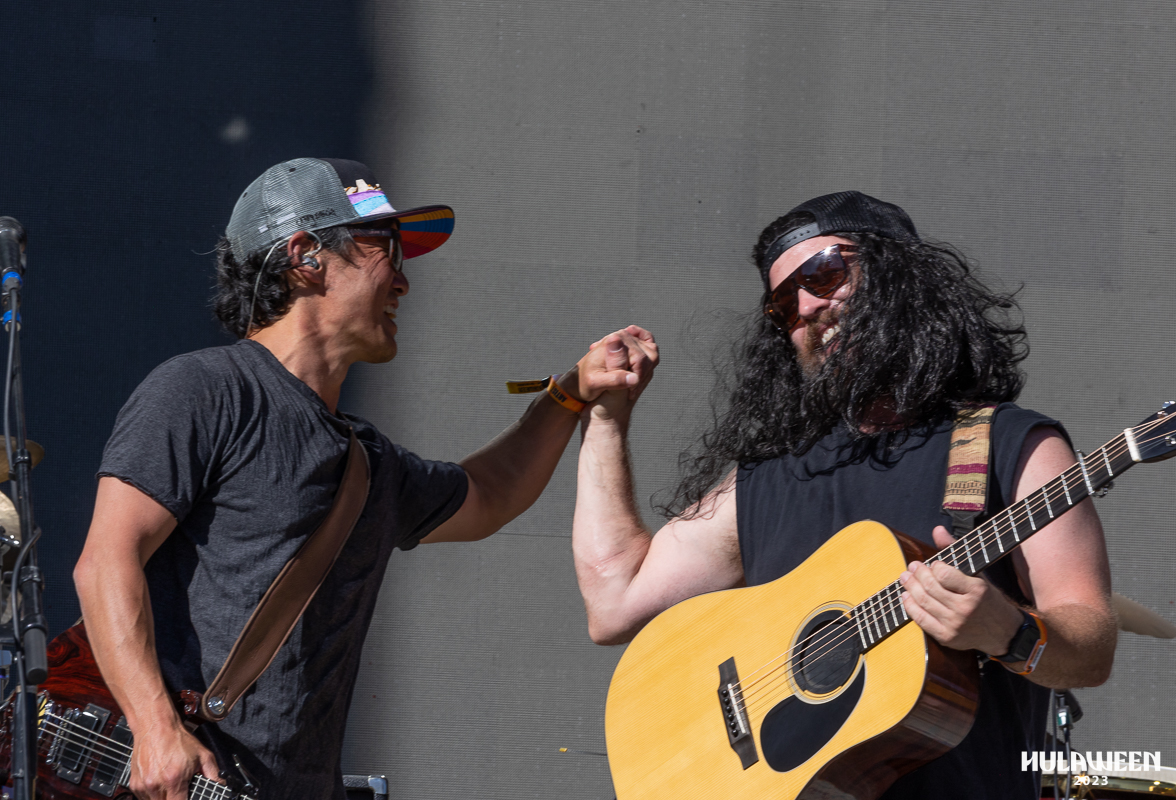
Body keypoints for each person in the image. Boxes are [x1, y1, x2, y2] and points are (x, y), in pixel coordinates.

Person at [73, 158, 649, 800]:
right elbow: (105, 562)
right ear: (304, 256)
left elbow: (489, 496)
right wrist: (153, 726)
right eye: (385, 250)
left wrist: (568, 393)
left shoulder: (367, 463)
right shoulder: (202, 391)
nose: (403, 281)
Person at [572, 191, 1117, 799]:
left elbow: (1090, 650)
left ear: (898, 276)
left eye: (824, 273)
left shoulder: (1008, 444)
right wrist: (605, 420)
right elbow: (615, 602)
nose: (806, 306)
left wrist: (1011, 633)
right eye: (783, 303)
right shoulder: (765, 478)